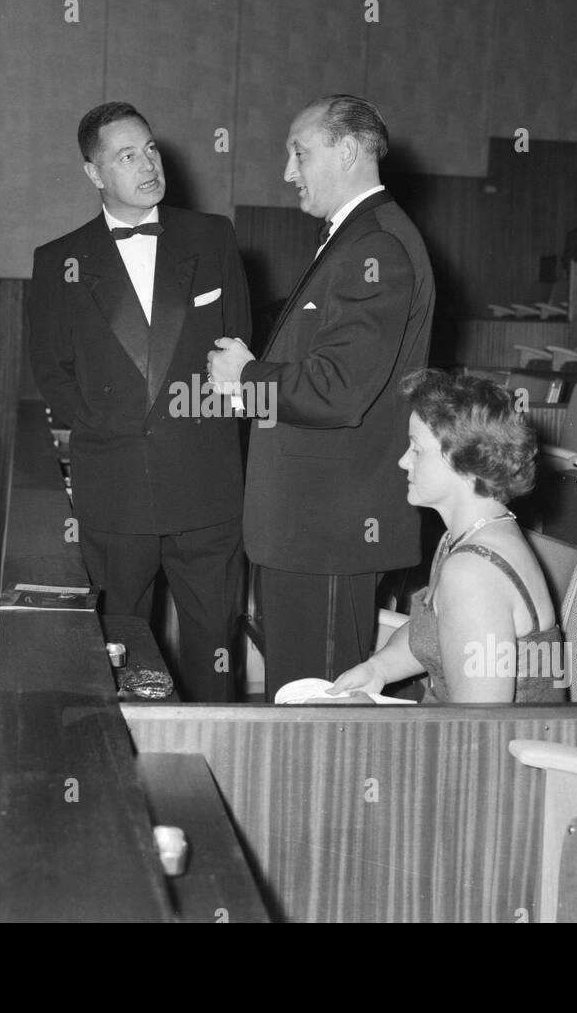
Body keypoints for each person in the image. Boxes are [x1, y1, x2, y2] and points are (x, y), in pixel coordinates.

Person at [208, 95, 435, 699]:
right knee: (300, 699)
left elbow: (338, 389)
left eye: (298, 153)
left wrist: (249, 377)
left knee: (321, 713)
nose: (288, 172)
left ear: (349, 151)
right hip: (312, 525)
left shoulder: (375, 246)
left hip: (329, 528)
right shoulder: (354, 238)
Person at [28, 102, 251, 702]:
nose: (148, 164)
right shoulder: (58, 261)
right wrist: (115, 427)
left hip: (208, 489)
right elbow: (53, 373)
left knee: (215, 648)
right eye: (127, 155)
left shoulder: (213, 237)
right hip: (117, 490)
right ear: (95, 174)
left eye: (150, 148)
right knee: (122, 654)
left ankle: (219, 768)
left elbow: (239, 354)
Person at [329, 371, 567, 703]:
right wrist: (378, 670)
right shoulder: (467, 536)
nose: (403, 461)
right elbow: (432, 635)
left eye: (416, 449)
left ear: (464, 462)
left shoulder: (474, 572)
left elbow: (479, 727)